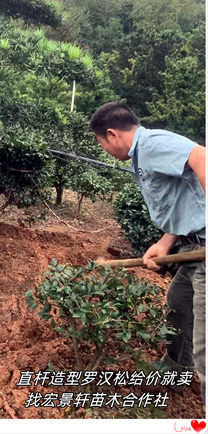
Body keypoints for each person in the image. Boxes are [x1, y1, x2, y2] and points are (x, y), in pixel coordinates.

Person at [89, 102, 206, 402]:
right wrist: (165, 243)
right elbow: (184, 199)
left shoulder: (152, 144)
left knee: (204, 345)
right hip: (192, 246)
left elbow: (202, 157)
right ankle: (176, 372)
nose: (105, 150)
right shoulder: (142, 155)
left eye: (101, 144)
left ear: (112, 134)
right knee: (178, 302)